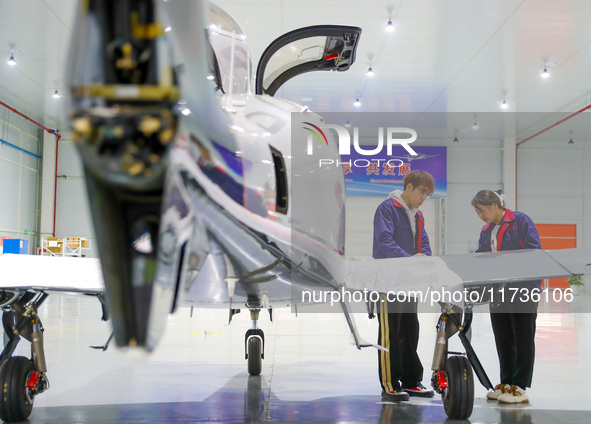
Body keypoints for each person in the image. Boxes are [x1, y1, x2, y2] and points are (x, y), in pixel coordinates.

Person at [472, 189, 541, 404]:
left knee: (522, 338)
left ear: (494, 205)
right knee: (503, 338)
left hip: (522, 290)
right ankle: (507, 383)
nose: (480, 215)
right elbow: (481, 256)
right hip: (498, 292)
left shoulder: (520, 221)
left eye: (482, 210)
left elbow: (533, 251)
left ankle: (520, 387)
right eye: (477, 212)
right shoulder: (486, 231)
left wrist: (502, 261)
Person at [372, 170, 435, 401]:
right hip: (388, 281)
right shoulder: (387, 209)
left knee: (410, 330)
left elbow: (424, 244)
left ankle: (411, 381)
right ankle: (390, 383)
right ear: (409, 187)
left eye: (428, 194)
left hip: (409, 282)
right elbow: (383, 241)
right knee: (391, 332)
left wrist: (424, 258)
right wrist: (409, 260)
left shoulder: (417, 216)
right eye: (422, 192)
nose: (424, 197)